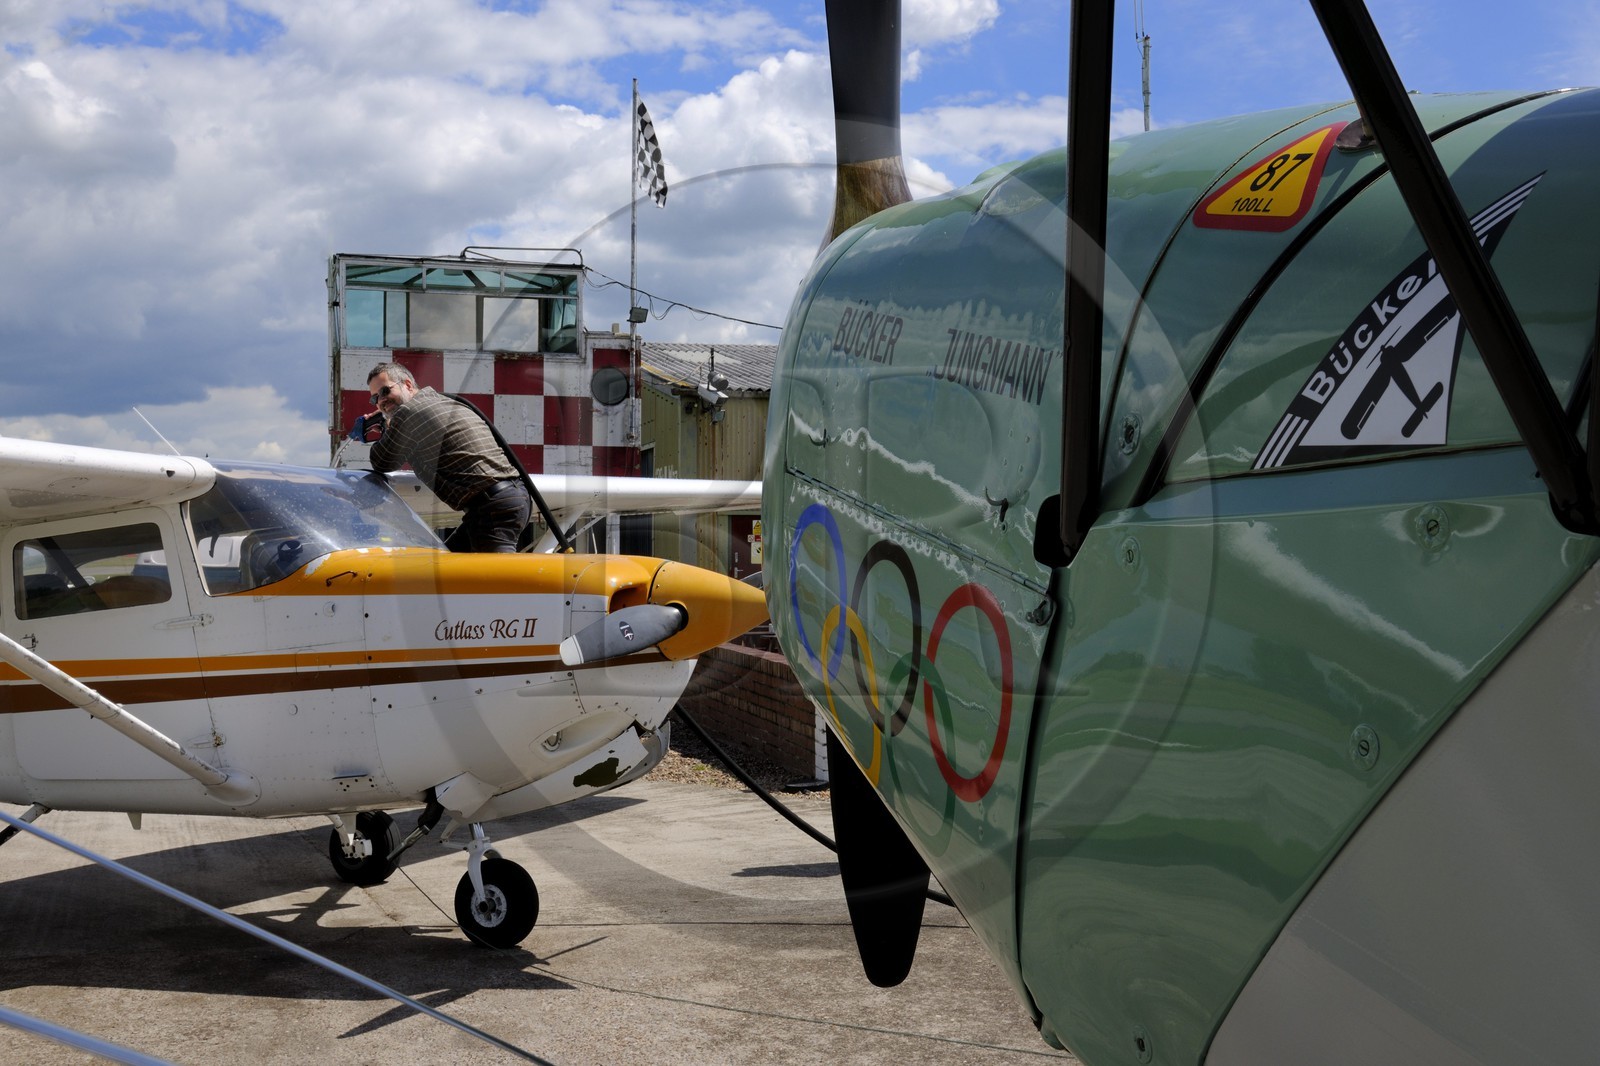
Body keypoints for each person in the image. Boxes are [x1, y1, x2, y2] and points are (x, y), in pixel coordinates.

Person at [361, 362, 532, 553]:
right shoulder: (444, 402)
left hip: (490, 507)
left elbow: (382, 461)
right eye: (375, 398)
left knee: (495, 580)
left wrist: (389, 427)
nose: (381, 401)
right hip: (508, 498)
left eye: (385, 391)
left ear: (407, 385)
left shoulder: (408, 413)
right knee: (448, 569)